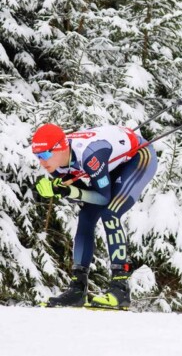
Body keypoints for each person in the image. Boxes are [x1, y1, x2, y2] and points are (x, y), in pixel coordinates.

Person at [31, 123, 158, 310]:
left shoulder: (90, 156)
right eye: (38, 155)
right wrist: (63, 190)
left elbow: (102, 197)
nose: (42, 161)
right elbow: (80, 193)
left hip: (138, 156)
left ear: (61, 147)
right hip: (113, 162)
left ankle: (120, 289)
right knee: (86, 217)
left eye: (45, 154)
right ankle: (77, 289)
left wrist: (67, 191)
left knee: (110, 212)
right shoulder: (56, 163)